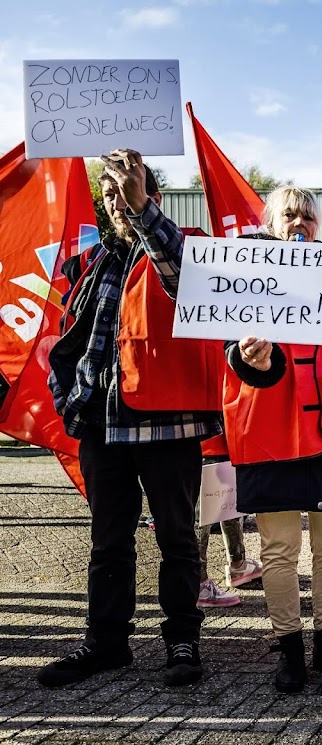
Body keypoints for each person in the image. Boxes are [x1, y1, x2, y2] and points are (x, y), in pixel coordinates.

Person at [40, 150, 221, 688]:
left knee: (177, 539)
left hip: (168, 424)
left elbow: (182, 276)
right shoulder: (90, 261)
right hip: (101, 424)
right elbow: (69, 334)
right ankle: (105, 643)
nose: (117, 202)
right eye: (111, 194)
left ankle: (182, 639)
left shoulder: (182, 248)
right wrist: (66, 394)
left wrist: (142, 209)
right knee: (108, 541)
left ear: (154, 199)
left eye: (129, 192)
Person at [222, 186, 322, 693]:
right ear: (270, 223)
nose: (300, 223)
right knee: (279, 548)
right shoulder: (246, 276)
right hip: (272, 432)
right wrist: (254, 359)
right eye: (289, 214)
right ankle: (288, 647)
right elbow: (230, 353)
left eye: (309, 216)